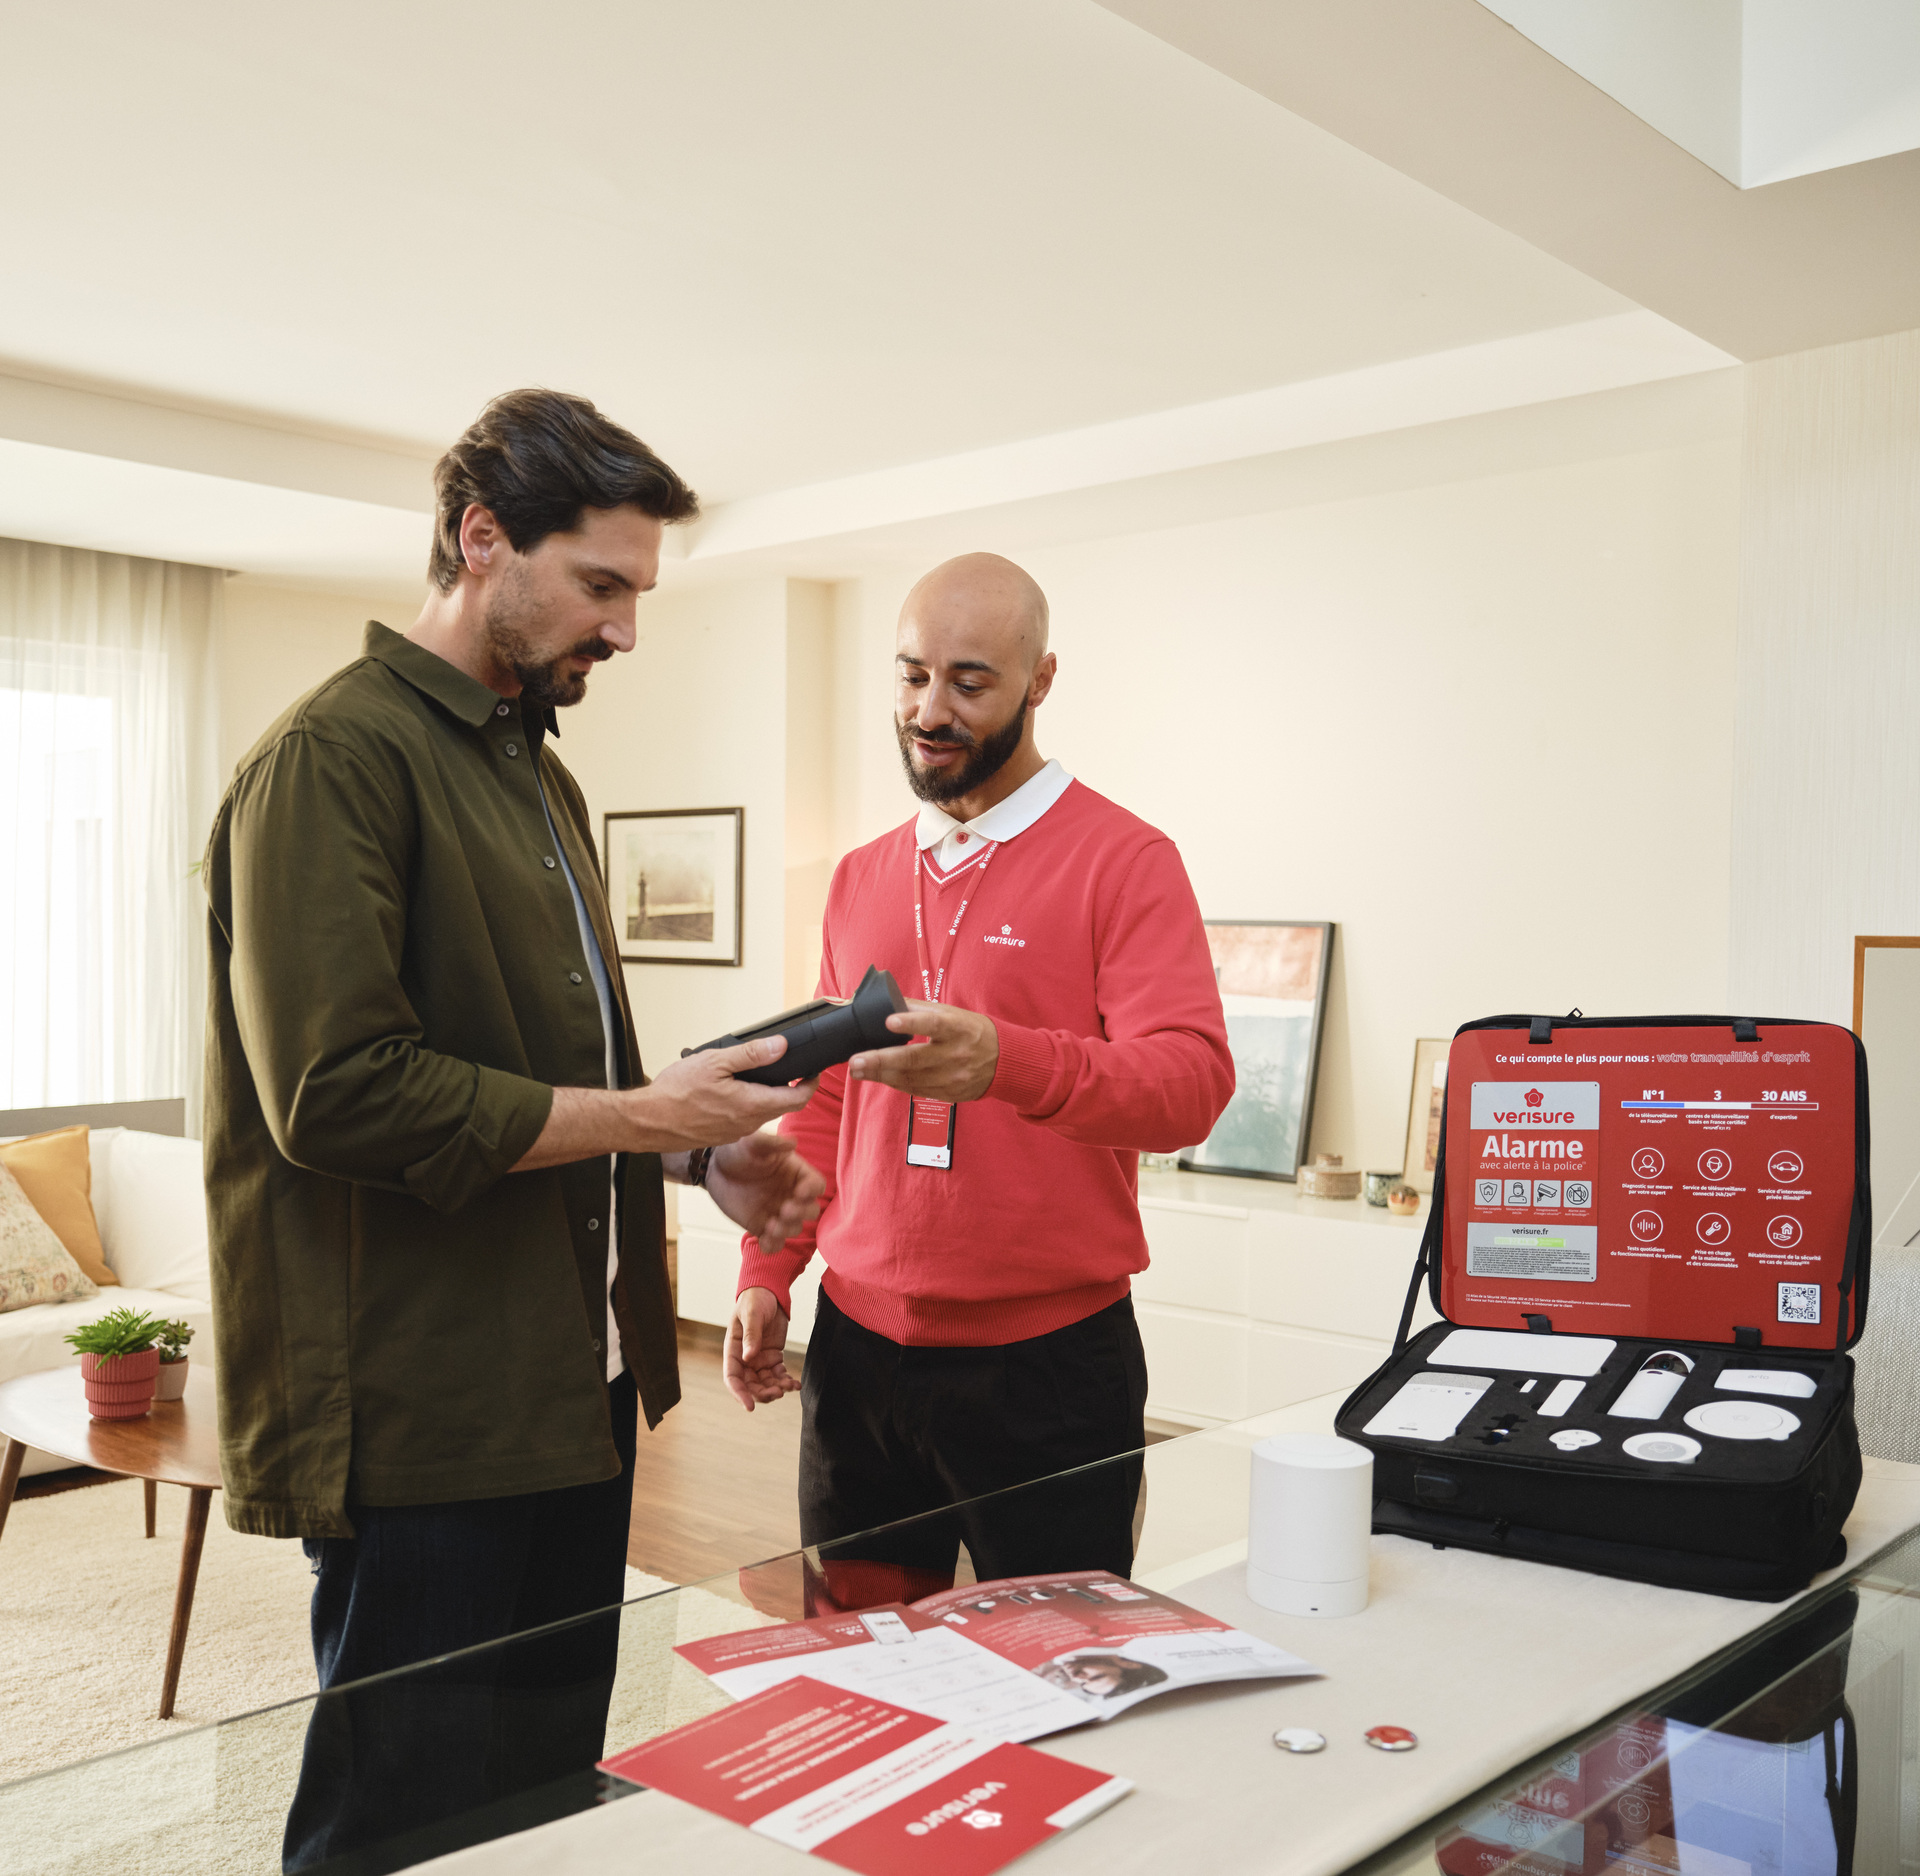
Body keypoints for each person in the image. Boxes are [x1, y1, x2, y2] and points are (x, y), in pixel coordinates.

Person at [202, 389, 824, 1870]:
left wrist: (690, 1150)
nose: (623, 631)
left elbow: (549, 1065)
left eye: (636, 594)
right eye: (600, 586)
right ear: (482, 540)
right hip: (423, 1406)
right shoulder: (331, 762)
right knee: (398, 1824)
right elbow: (336, 1090)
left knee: (540, 1813)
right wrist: (642, 1112)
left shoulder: (534, 770)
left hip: (574, 1390)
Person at [725, 552, 1233, 1599]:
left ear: (1041, 681)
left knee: (1062, 1684)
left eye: (970, 681)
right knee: (860, 1667)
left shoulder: (1126, 859)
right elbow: (825, 1104)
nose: (930, 708)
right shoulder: (860, 874)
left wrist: (1009, 1062)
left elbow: (1189, 1086)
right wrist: (767, 1274)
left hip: (1046, 1369)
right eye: (911, 676)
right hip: (857, 1357)